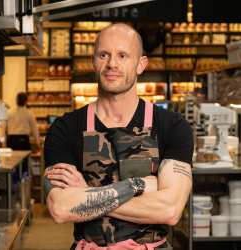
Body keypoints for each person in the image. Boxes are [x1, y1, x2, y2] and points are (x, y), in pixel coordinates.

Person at [44, 23, 193, 250]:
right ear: (93, 61)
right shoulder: (65, 128)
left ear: (140, 64)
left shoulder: (172, 126)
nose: (112, 64)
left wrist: (86, 194)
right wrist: (138, 185)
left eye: (123, 55)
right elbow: (61, 208)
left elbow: (170, 210)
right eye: (104, 55)